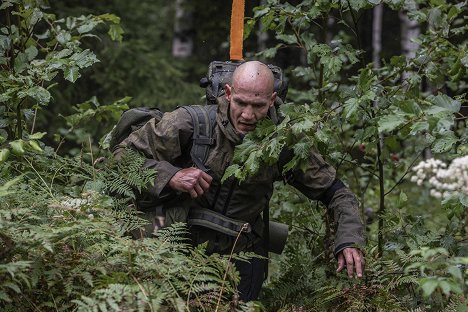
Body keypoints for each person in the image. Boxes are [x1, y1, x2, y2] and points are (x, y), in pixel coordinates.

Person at [116, 61, 365, 301]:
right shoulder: (191, 123)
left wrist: (349, 240)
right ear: (228, 93)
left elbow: (336, 192)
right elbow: (121, 159)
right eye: (241, 102)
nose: (248, 114)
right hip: (177, 242)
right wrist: (170, 176)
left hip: (241, 257)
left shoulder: (284, 142)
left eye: (258, 105)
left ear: (272, 99)